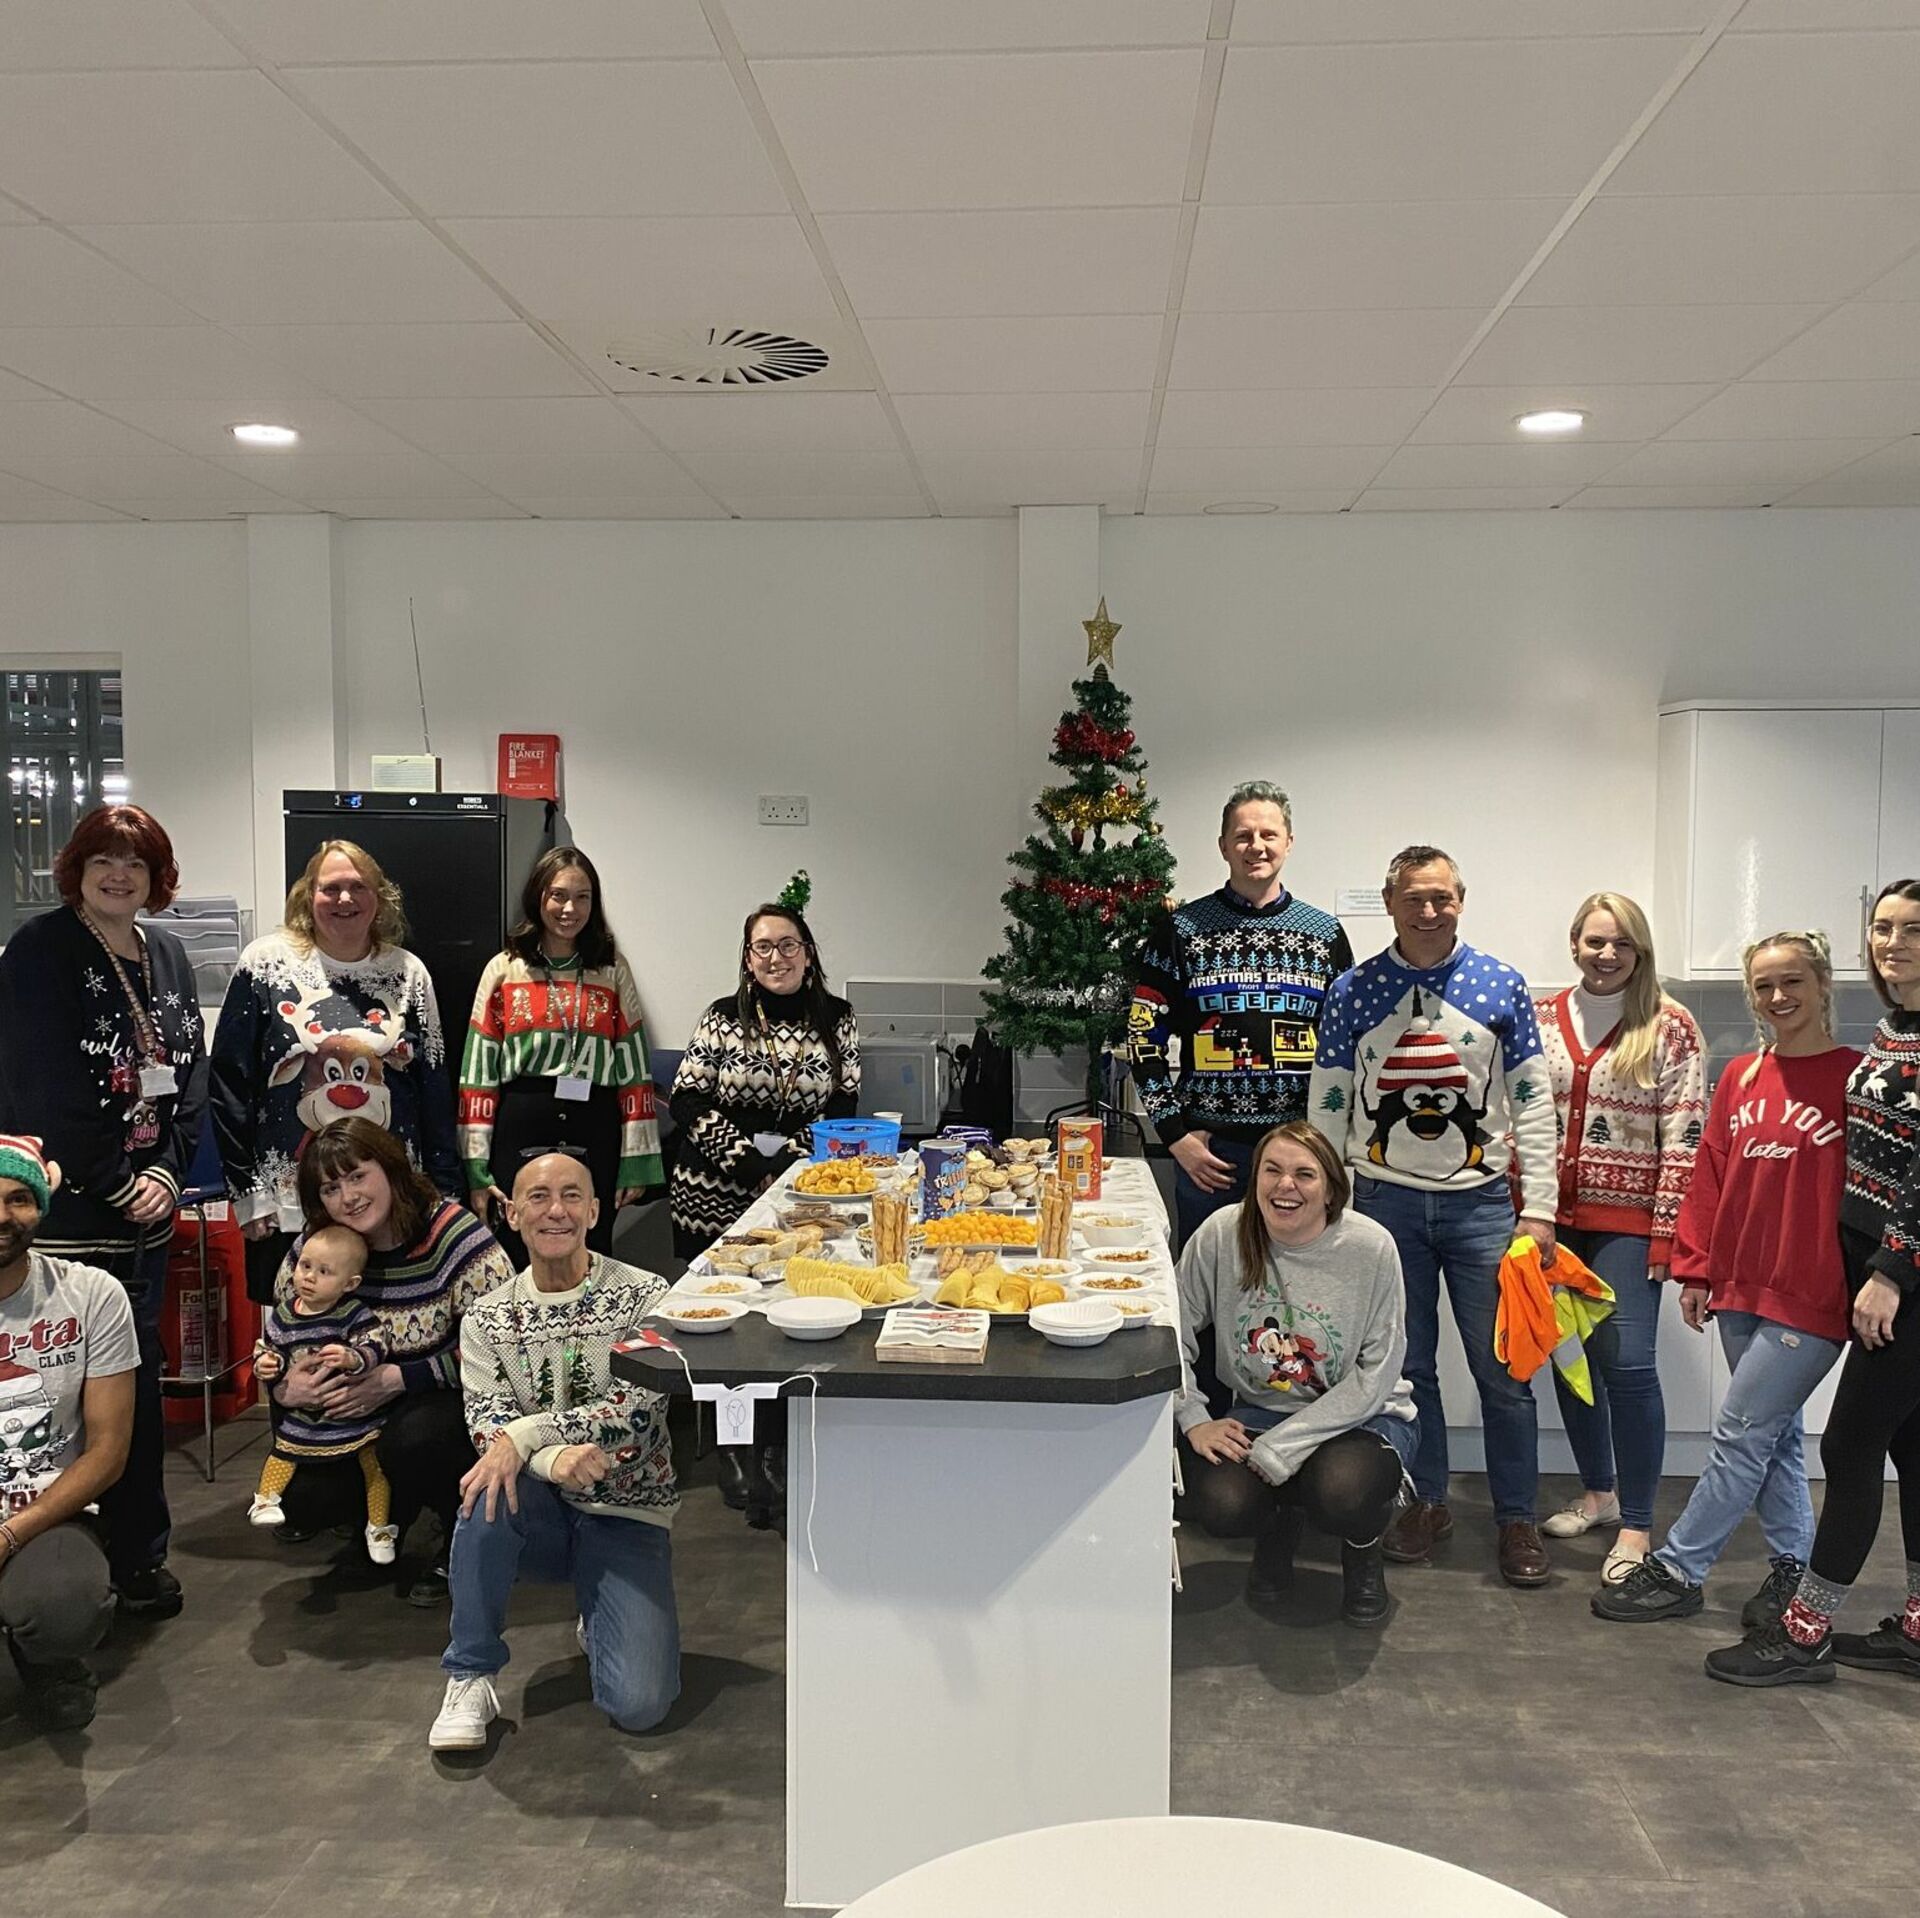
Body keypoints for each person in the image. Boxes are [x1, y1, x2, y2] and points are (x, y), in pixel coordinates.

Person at [1309, 845, 1561, 1588]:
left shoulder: (1500, 985)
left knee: (1506, 1371)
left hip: (1484, 1206)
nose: (1429, 911)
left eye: (1442, 898)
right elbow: (1327, 1100)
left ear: (1461, 900)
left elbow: (1534, 1101)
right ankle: (1427, 1502)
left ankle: (1516, 1515)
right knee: (1407, 1373)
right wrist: (1329, 1202)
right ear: (1389, 903)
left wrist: (1538, 1208)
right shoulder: (1354, 989)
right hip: (1382, 1203)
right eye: (1415, 898)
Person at [1594, 933, 1857, 1627]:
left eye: (1792, 982)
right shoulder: (1740, 1075)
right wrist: (1697, 1268)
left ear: (1823, 984)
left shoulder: (1853, 1078)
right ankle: (1791, 1568)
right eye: (1765, 985)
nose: (1778, 997)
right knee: (1770, 1435)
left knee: (1742, 1432)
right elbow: (1709, 1178)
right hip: (1741, 1285)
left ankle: (1680, 1569)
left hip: (1812, 1292)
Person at [1705, 879, 1920, 1687]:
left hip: (1906, 1276)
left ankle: (1804, 1632)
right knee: (1911, 1447)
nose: (1893, 942)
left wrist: (1891, 1272)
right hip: (1881, 1267)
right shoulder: (1898, 1032)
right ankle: (1917, 1628)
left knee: (1848, 1443)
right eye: (1883, 928)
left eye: (1912, 930)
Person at [0, 803, 206, 1622]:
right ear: (77, 872)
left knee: (134, 1399)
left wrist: (164, 1169)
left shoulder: (167, 954)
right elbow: (36, 1083)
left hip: (148, 1219)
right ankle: (48, 1549)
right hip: (75, 1219)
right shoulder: (41, 953)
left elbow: (185, 1076)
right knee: (59, 1396)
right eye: (103, 862)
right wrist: (117, 1177)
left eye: (137, 864)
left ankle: (136, 1554)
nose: (120, 876)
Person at [429, 1152, 679, 1751]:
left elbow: (637, 1414)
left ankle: (602, 1611)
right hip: (538, 1508)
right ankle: (471, 1674)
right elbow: (488, 1427)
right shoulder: (487, 1319)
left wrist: (528, 1434)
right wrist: (544, 1456)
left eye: (572, 1195)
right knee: (485, 1488)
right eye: (538, 1198)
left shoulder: (645, 1295)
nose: (556, 1210)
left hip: (626, 1509)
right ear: (512, 1214)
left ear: (594, 1210)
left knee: (640, 1706)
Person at [668, 879, 857, 1521]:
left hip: (796, 1201)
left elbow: (843, 1105)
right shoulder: (721, 1015)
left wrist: (784, 1163)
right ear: (747, 959)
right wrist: (747, 1162)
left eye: (787, 945)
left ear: (808, 952)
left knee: (781, 1321)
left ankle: (775, 1447)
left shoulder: (838, 1019)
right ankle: (734, 1453)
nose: (775, 958)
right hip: (712, 1194)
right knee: (723, 1331)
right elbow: (689, 1098)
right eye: (761, 948)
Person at [1175, 1123, 1413, 1627]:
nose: (1286, 1186)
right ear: (1255, 1177)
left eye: (1305, 1174)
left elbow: (1378, 1372)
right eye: (1273, 1170)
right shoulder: (1223, 1232)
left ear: (1331, 1188)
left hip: (1362, 1417)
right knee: (1220, 1505)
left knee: (1343, 1492)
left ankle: (1362, 1552)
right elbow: (1169, 1325)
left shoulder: (1371, 1247)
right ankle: (1277, 1525)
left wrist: (1283, 1448)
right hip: (1260, 1412)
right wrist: (1193, 1416)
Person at [1534, 893, 1706, 1582]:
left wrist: (1669, 1237)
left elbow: (1685, 1138)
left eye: (1622, 945)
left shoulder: (1671, 1027)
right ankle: (1598, 1494)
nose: (1607, 955)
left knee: (1627, 1364)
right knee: (1570, 1360)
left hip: (1630, 1225)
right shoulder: (1542, 1017)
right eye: (1595, 941)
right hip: (1550, 1223)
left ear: (1640, 952)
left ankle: (1636, 1523)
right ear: (1574, 941)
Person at [267, 1117, 511, 1603]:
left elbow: (504, 1344)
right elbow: (278, 1335)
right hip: (352, 1424)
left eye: (359, 1176)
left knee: (415, 1440)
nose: (349, 1197)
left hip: (442, 1406)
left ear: (391, 1168)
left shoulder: (453, 1234)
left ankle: (461, 1533)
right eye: (332, 1188)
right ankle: (377, 1522)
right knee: (300, 1501)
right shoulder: (315, 1249)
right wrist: (281, 1385)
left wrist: (402, 1377)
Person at [210, 837, 461, 1306]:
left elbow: (433, 1086)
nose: (344, 899)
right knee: (291, 1348)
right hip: (286, 1205)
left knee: (389, 1330)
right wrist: (245, 1192)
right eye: (331, 889)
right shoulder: (264, 965)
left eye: (357, 887)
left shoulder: (408, 973)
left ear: (379, 898)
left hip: (391, 1205)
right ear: (309, 897)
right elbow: (229, 1083)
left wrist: (443, 1190)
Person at [1129, 782, 1353, 1251]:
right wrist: (1175, 1137)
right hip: (1212, 1157)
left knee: (1302, 1290)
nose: (1257, 847)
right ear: (1224, 846)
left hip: (1300, 1153)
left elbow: (1346, 1048)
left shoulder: (1326, 935)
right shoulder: (1181, 930)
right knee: (1208, 1298)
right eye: (1244, 835)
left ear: (1288, 842)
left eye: (1269, 835)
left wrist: (1330, 1141)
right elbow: (1142, 1036)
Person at [459, 846, 664, 1269]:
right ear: (538, 897)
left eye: (583, 896)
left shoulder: (610, 970)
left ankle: (597, 1337)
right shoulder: (504, 969)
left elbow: (632, 1067)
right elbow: (478, 1071)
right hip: (519, 1126)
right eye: (558, 895)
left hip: (596, 1126)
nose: (570, 908)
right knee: (519, 1250)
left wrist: (636, 1161)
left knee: (593, 1248)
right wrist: (476, 1165)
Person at [0, 1137, 137, 1732]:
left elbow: (107, 1452)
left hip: (48, 1516)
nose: (3, 1217)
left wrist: (7, 1536)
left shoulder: (91, 1296)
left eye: (18, 1198)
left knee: (64, 1609)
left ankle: (52, 1662)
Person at [247, 1224, 397, 1565]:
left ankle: (380, 1526)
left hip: (354, 1412)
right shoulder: (284, 1314)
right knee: (283, 1450)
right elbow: (269, 1349)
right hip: (305, 1415)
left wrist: (353, 1358)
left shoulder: (352, 1313)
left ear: (350, 1283)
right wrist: (267, 1364)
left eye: (324, 1271)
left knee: (374, 1465)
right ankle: (266, 1498)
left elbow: (376, 1343)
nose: (309, 1277)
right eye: (305, 1266)